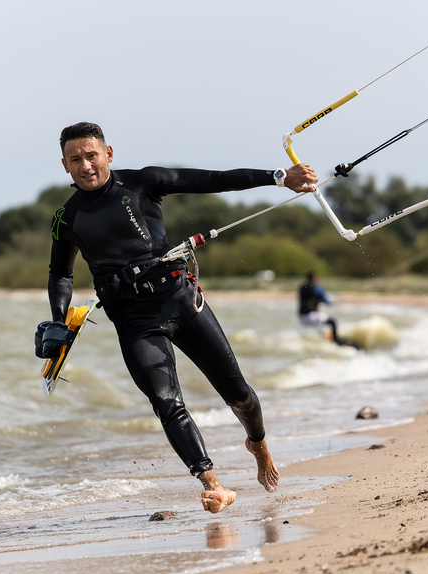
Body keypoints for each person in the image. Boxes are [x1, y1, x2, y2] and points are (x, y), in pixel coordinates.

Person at [46, 122, 318, 513]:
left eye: (92, 155)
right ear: (65, 165)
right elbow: (60, 274)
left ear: (108, 153)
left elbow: (213, 180)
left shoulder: (143, 183)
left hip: (181, 301)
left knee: (239, 394)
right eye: (76, 159)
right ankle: (213, 483)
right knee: (165, 400)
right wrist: (58, 319)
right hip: (133, 320)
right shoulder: (66, 218)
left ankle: (257, 444)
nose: (86, 166)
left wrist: (279, 177)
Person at [298, 272, 361, 349]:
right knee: (332, 321)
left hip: (301, 317)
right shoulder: (316, 288)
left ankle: (325, 338)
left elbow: (313, 299)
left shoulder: (302, 288)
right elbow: (327, 301)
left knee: (321, 328)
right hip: (310, 316)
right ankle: (337, 341)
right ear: (314, 278)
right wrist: (335, 300)